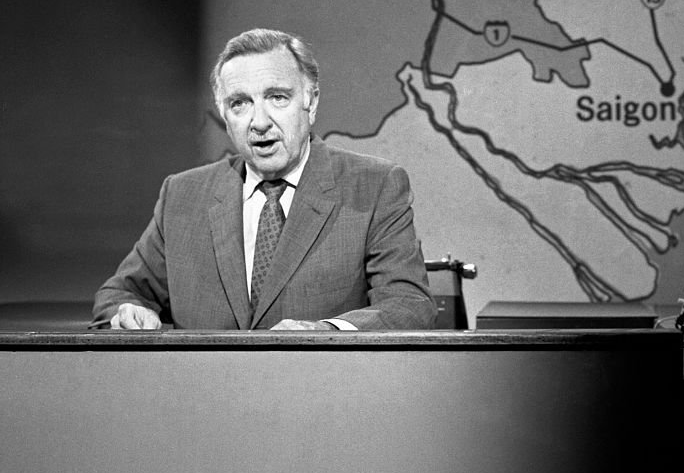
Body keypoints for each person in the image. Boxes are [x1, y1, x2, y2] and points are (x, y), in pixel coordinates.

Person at [93, 28, 435, 331]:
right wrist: (129, 312)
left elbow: (408, 305)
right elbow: (120, 294)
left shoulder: (374, 186)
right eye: (240, 103)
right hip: (206, 396)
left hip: (322, 392)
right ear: (224, 114)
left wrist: (326, 331)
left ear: (311, 102)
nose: (259, 122)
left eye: (277, 98)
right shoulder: (183, 195)